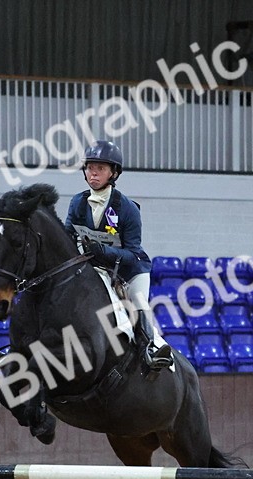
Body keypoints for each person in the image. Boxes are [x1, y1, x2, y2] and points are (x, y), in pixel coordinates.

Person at [63, 140, 173, 372]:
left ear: (113, 173)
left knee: (139, 303)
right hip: (94, 269)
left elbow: (133, 253)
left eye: (101, 168)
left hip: (129, 271)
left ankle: (151, 350)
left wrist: (104, 251)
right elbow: (67, 237)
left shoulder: (127, 208)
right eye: (90, 167)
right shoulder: (77, 203)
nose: (93, 173)